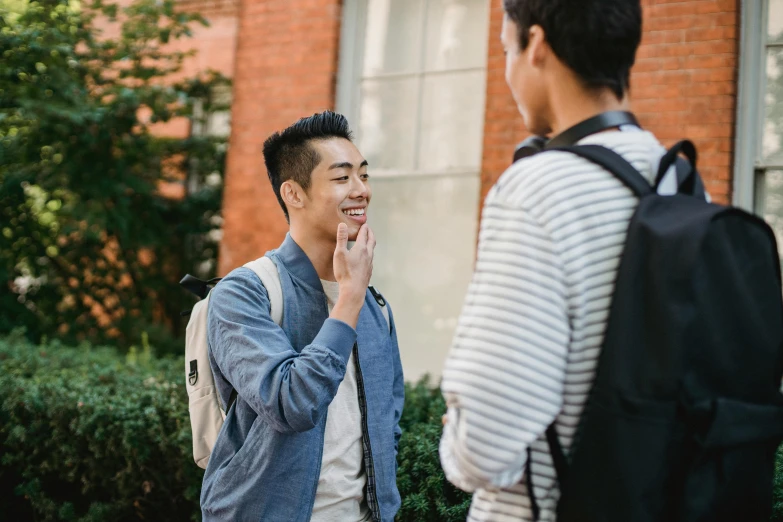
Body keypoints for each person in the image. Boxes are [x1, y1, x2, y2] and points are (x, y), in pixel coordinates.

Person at [438, 0, 666, 520]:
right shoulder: (674, 178)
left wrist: (456, 440)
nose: (508, 72)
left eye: (505, 49)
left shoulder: (538, 189)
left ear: (536, 46)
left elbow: (487, 443)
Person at [200, 111, 404, 521]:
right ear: (294, 194)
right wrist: (348, 299)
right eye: (343, 177)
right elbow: (292, 403)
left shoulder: (374, 305)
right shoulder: (243, 294)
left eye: (364, 175)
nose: (361, 190)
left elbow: (389, 419)